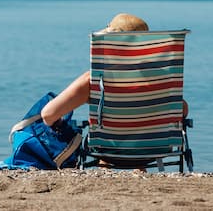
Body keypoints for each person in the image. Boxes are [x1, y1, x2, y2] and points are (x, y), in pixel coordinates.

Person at [40, 13, 188, 128]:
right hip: (153, 150)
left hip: (108, 150)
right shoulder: (161, 79)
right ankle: (140, 166)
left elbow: (48, 115)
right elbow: (182, 110)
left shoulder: (94, 80)